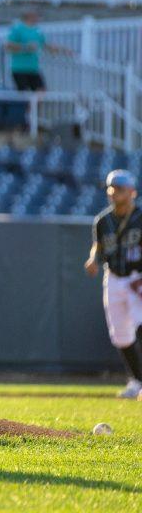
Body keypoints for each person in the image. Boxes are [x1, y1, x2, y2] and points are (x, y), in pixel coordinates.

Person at [85, 170, 142, 398]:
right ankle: (137, 381)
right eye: (112, 188)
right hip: (114, 278)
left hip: (138, 276)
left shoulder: (140, 216)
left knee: (141, 324)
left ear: (132, 192)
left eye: (120, 188)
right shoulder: (102, 220)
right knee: (120, 334)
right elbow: (98, 246)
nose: (115, 192)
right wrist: (93, 259)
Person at [4, 10, 70, 91]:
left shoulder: (37, 31)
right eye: (36, 16)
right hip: (19, 69)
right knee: (24, 94)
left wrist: (63, 50)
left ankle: (35, 104)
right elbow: (8, 46)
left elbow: (44, 45)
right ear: (29, 16)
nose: (38, 18)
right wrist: (25, 47)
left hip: (33, 68)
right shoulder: (17, 29)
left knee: (41, 91)